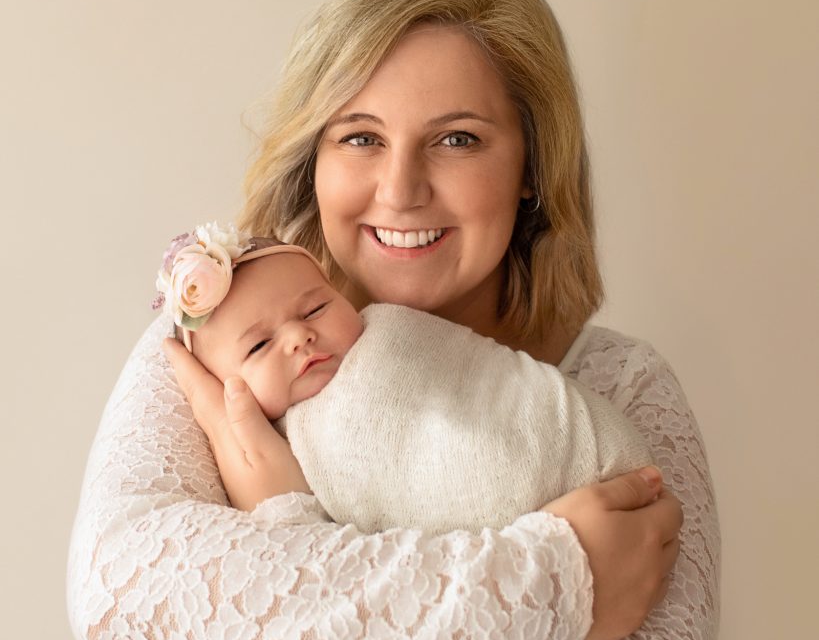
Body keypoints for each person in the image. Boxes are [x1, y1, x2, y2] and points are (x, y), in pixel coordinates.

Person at [67, 0, 720, 640]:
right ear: (317, 157)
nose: (400, 187)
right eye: (360, 137)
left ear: (530, 167)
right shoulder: (222, 339)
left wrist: (282, 535)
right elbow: (119, 594)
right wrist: (553, 580)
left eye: (456, 138)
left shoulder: (619, 389)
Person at [152, 222, 653, 532]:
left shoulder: (391, 332)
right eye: (260, 346)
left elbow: (481, 387)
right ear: (222, 386)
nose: (299, 338)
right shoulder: (272, 449)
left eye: (316, 307)